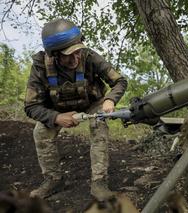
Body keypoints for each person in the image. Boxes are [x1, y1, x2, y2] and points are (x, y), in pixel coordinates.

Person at [24, 19, 128, 201]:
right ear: (54, 55)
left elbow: (120, 81)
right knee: (40, 132)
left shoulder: (89, 57)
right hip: (58, 110)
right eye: (67, 55)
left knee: (99, 126)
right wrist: (56, 118)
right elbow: (31, 105)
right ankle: (53, 179)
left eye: (77, 52)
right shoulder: (40, 66)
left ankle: (99, 183)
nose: (75, 59)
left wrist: (110, 100)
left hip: (92, 105)